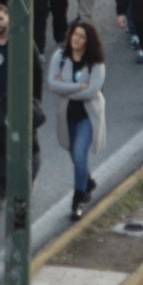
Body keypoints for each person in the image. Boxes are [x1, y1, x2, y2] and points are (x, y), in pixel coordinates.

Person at [47, 19, 105, 221]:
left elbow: (92, 91)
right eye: (75, 34)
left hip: (87, 116)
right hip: (67, 116)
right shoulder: (60, 57)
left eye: (82, 37)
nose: (76, 39)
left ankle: (78, 199)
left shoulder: (96, 63)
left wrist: (66, 89)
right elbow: (52, 85)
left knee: (80, 155)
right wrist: (77, 87)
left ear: (89, 41)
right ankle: (87, 180)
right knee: (73, 154)